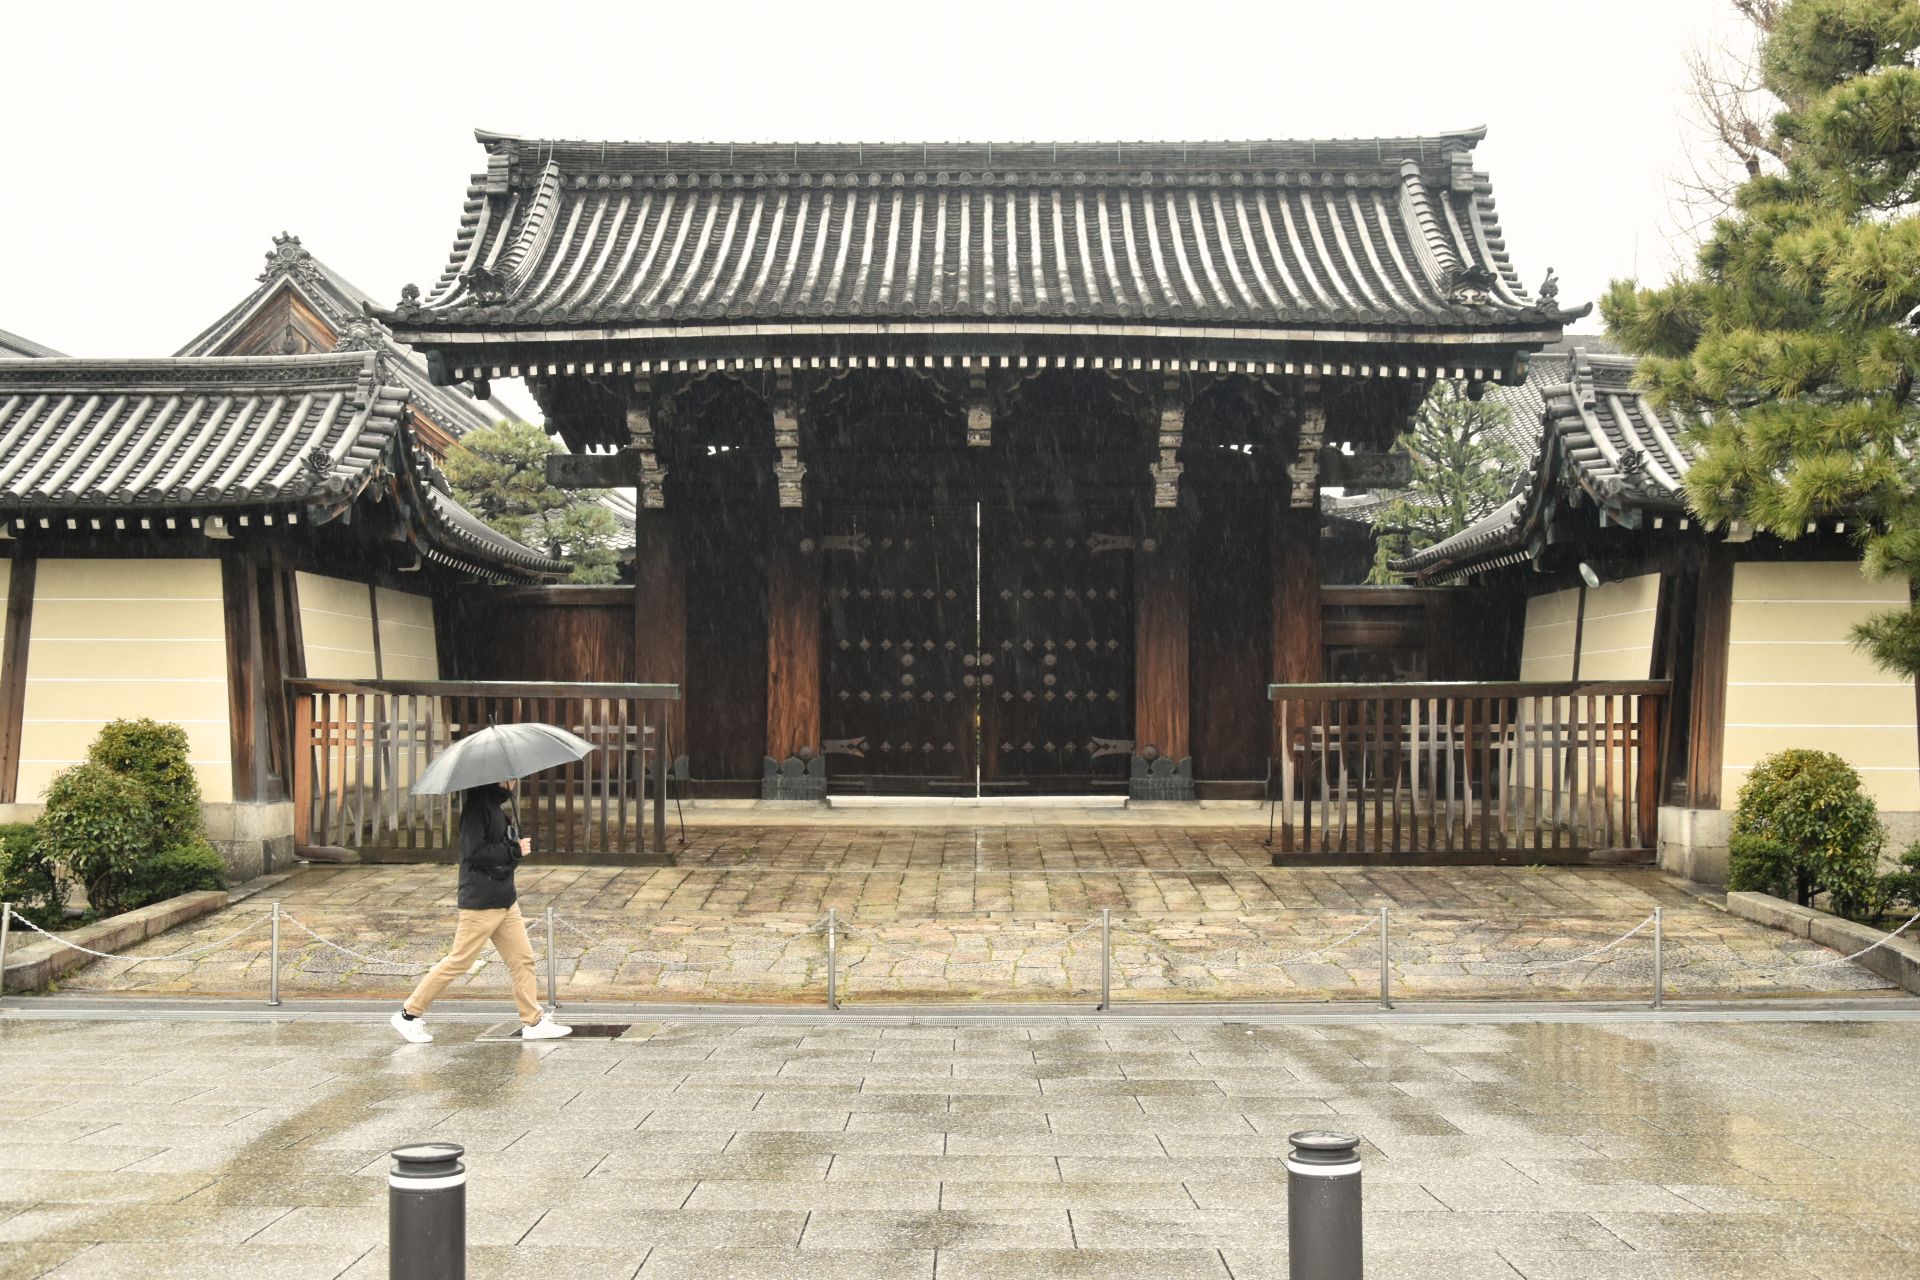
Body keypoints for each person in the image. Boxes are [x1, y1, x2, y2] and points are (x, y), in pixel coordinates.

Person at [391, 777, 571, 1042]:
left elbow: (499, 850)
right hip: (481, 901)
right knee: (459, 961)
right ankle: (408, 1015)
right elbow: (473, 851)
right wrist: (513, 850)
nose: (515, 781)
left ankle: (533, 1022)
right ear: (495, 778)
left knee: (522, 959)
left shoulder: (495, 806)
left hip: (504, 899)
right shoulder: (477, 807)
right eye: (510, 777)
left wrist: (515, 850)